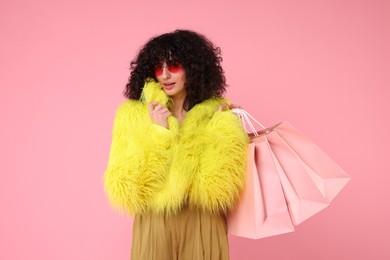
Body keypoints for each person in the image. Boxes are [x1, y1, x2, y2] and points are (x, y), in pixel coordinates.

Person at [103, 29, 248, 260]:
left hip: (203, 221)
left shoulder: (215, 112)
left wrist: (224, 128)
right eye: (158, 68)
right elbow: (125, 185)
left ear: (193, 67)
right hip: (155, 222)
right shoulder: (133, 114)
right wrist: (159, 132)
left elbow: (221, 186)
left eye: (174, 65)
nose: (165, 75)